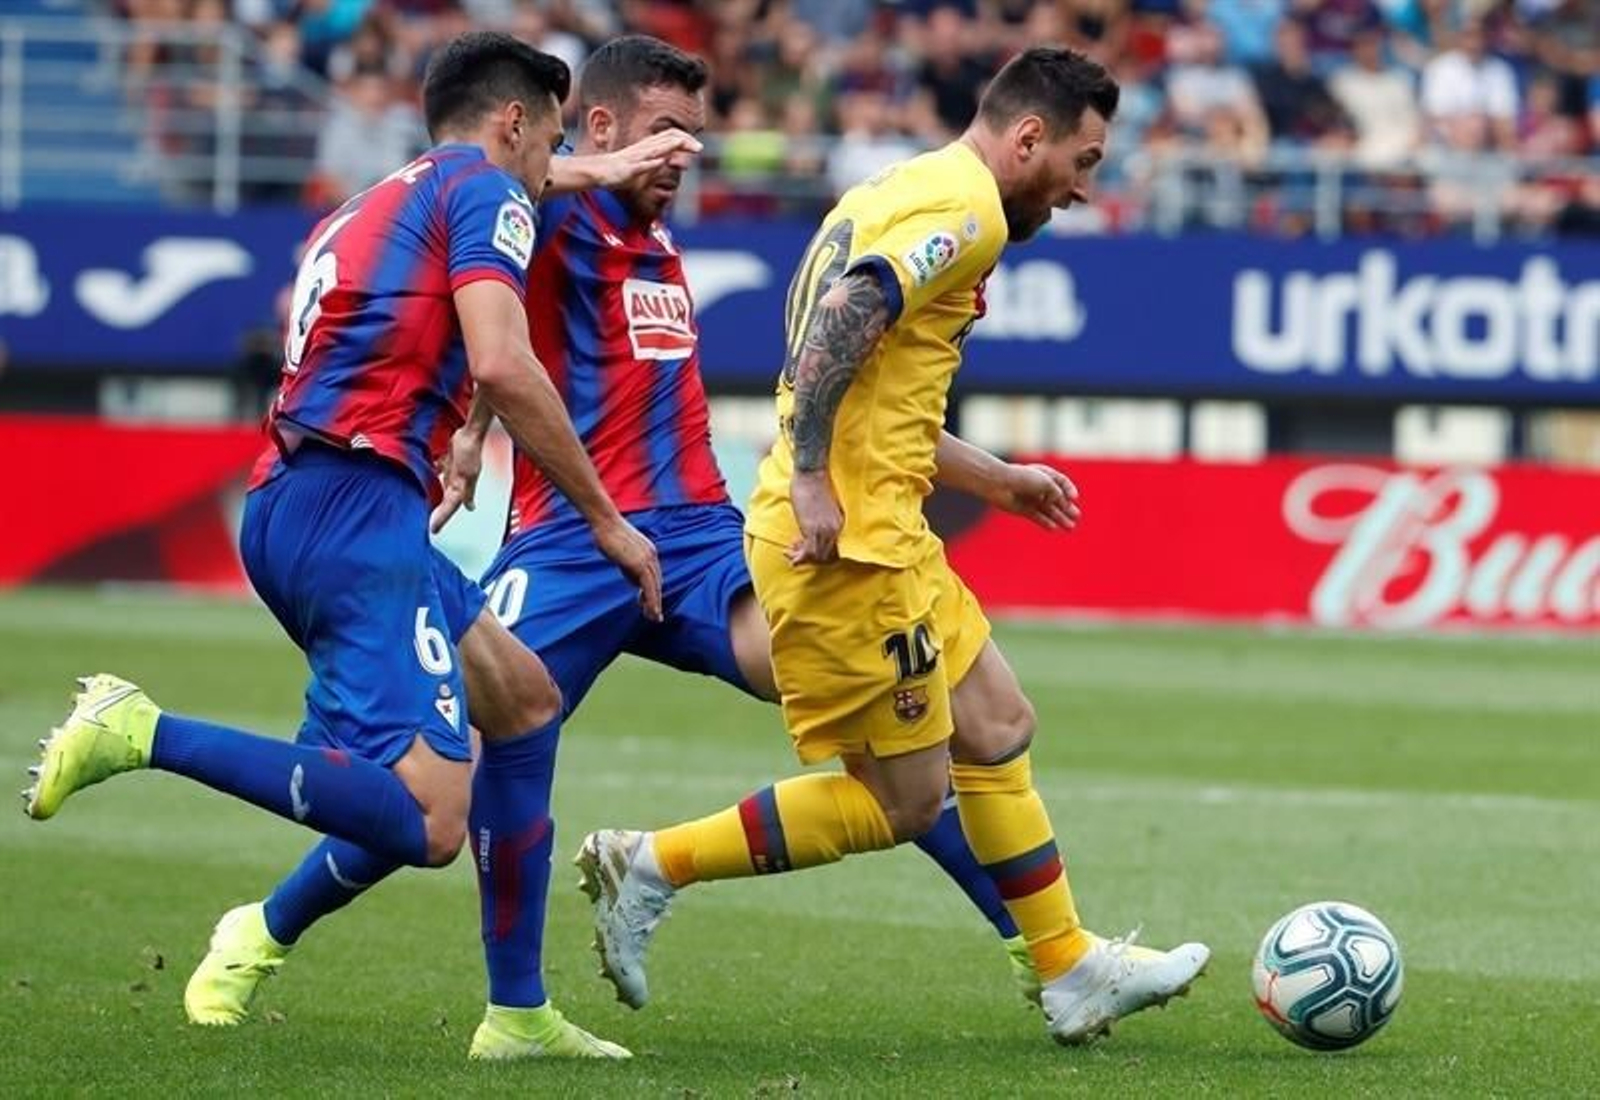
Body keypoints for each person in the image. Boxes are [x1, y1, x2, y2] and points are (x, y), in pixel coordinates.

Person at [180, 33, 1038, 1061]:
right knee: (475, 756)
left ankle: (1037, 939)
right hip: (575, 542)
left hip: (696, 534)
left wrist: (471, 434)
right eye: (665, 134)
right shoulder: (541, 205)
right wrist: (474, 429)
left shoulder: (658, 237)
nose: (683, 156)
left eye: (697, 138)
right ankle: (271, 930)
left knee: (867, 691)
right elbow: (484, 279)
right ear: (593, 128)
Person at [22, 31, 669, 1059]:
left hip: (314, 493)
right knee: (426, 820)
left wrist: (600, 168)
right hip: (352, 514)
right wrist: (604, 517)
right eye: (549, 140)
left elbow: (440, 328)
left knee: (523, 699)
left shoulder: (383, 196)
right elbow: (502, 360)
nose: (552, 168)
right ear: (512, 123)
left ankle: (512, 1012)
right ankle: (139, 730)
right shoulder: (490, 197)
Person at [576, 46, 1210, 1046]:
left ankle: (1068, 967)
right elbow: (842, 319)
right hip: (846, 553)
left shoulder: (900, 187)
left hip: (892, 533)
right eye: (1081, 162)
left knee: (998, 724)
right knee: (907, 801)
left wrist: (993, 478)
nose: (1085, 188)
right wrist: (820, 472)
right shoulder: (968, 212)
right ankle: (649, 861)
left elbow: (874, 376)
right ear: (1027, 137)